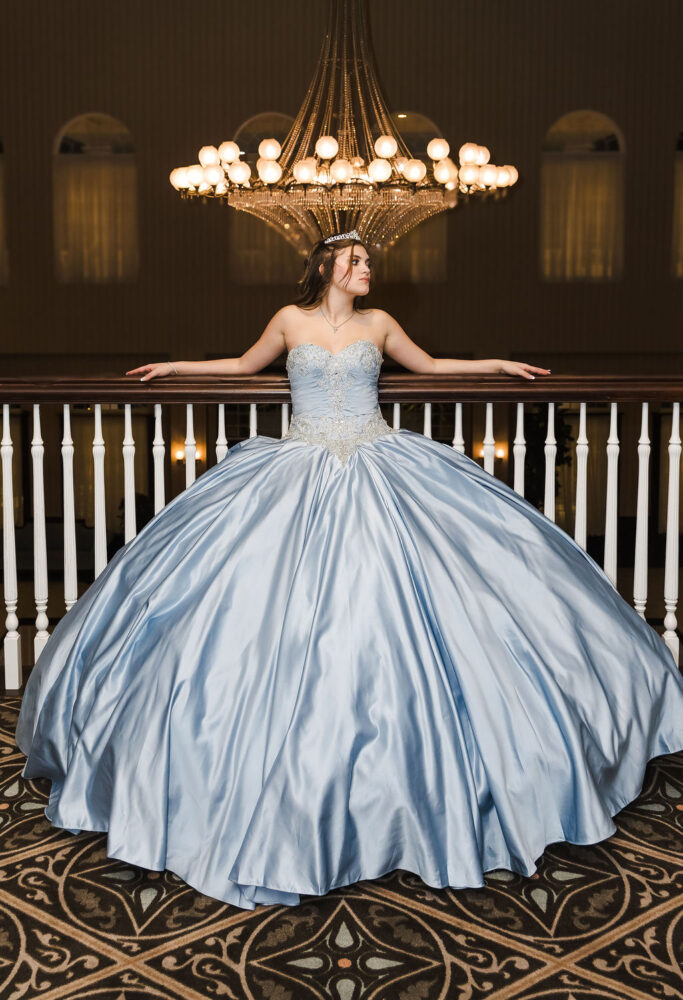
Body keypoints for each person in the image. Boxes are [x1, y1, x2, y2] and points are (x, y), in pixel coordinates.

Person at [15, 230, 683, 912]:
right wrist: (175, 367)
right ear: (328, 267)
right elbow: (244, 367)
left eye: (367, 262)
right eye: (357, 261)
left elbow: (428, 367)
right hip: (298, 465)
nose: (367, 270)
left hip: (377, 459)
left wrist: (496, 364)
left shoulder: (380, 323)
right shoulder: (289, 319)